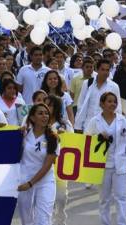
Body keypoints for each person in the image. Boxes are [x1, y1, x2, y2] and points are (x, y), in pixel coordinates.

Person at [85, 92, 126, 225]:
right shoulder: (94, 121)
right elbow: (86, 140)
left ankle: (122, 223)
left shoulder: (122, 120)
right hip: (102, 166)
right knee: (104, 199)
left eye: (114, 102)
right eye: (109, 101)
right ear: (102, 104)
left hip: (120, 164)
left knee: (122, 197)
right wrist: (98, 137)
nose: (113, 104)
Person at [17, 103, 59, 225]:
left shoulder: (53, 138)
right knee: (27, 221)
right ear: (32, 118)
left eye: (46, 113)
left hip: (45, 182)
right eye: (40, 113)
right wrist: (15, 135)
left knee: (43, 220)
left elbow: (47, 166)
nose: (44, 116)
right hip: (24, 181)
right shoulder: (23, 135)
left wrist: (31, 183)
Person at [44, 95, 73, 225]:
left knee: (61, 198)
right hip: (42, 166)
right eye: (45, 104)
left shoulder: (65, 124)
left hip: (60, 166)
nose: (47, 107)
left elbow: (74, 144)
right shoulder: (38, 122)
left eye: (50, 105)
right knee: (45, 200)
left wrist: (65, 135)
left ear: (56, 108)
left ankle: (60, 221)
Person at [75, 59, 122, 133]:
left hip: (106, 127)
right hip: (88, 126)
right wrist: (78, 126)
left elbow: (118, 108)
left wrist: (117, 126)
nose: (105, 72)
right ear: (97, 70)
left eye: (107, 70)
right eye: (102, 69)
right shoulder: (87, 83)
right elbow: (81, 105)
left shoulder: (114, 86)